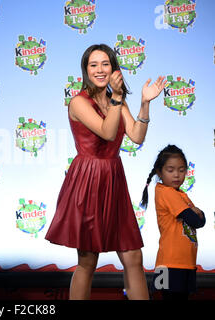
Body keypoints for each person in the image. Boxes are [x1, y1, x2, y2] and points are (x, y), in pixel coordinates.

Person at [45, 43, 166, 300]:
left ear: (114, 68)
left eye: (105, 64)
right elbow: (107, 132)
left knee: (133, 255)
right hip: (88, 180)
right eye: (93, 64)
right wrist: (117, 99)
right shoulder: (79, 102)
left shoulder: (117, 101)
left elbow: (136, 136)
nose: (100, 70)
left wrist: (144, 103)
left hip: (114, 179)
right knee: (88, 260)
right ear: (85, 70)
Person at [141, 144, 206, 300]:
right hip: (171, 264)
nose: (176, 175)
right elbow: (196, 220)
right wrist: (196, 212)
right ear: (160, 172)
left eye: (181, 170)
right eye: (170, 170)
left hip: (185, 263)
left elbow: (201, 220)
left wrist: (199, 213)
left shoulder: (181, 194)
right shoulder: (166, 192)